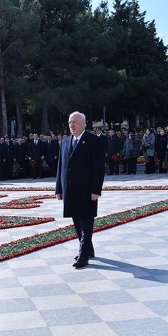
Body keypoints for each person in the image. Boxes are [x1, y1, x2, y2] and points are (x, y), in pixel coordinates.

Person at [55, 111, 105, 269]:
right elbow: (60, 167)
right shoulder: (64, 142)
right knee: (77, 222)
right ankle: (88, 249)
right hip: (70, 190)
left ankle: (83, 255)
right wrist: (59, 188)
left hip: (87, 190)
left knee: (86, 223)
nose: (72, 125)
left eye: (75, 122)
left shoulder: (93, 141)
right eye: (70, 122)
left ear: (84, 124)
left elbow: (98, 168)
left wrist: (96, 190)